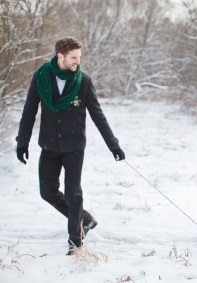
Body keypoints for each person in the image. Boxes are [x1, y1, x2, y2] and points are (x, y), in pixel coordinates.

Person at [16, 36, 126, 256]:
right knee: (47, 192)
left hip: (74, 146)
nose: (78, 61)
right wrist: (22, 141)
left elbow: (98, 116)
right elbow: (29, 112)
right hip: (49, 146)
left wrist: (113, 145)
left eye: (79, 57)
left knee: (73, 193)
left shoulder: (83, 81)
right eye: (73, 57)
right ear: (60, 56)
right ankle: (84, 219)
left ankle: (75, 241)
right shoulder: (41, 79)